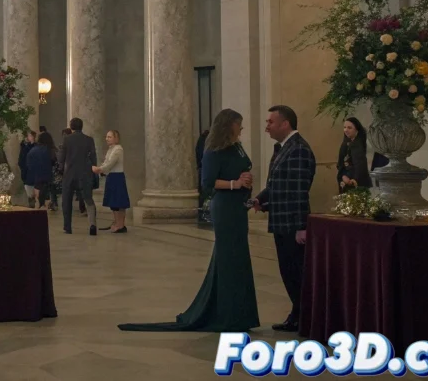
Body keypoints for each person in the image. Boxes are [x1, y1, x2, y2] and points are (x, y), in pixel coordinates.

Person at [119, 109, 259, 332]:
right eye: (238, 124)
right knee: (228, 259)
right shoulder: (213, 151)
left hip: (238, 208)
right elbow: (208, 183)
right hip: (225, 208)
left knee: (237, 259)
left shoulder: (237, 147)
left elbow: (243, 169)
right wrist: (235, 183)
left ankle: (241, 313)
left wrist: (246, 181)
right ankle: (227, 314)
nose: (241, 128)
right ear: (228, 125)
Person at [251, 105, 316, 332]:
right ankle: (297, 314)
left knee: (296, 272)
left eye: (271, 122)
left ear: (285, 123)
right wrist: (260, 200)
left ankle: (304, 316)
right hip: (281, 221)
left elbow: (298, 191)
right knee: (288, 272)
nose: (267, 127)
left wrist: (301, 226)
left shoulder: (298, 149)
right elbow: (277, 185)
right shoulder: (283, 148)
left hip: (292, 224)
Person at [60, 118, 98, 235]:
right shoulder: (89, 140)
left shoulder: (67, 139)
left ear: (71, 127)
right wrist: (93, 170)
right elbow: (93, 157)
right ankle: (92, 224)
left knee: (67, 200)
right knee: (88, 199)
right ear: (82, 127)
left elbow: (62, 158)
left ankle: (67, 227)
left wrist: (62, 170)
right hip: (85, 173)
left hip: (70, 173)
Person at [94, 129, 129, 233]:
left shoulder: (118, 149)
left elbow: (110, 163)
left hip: (117, 177)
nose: (107, 139)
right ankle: (117, 223)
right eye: (106, 137)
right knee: (114, 203)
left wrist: (99, 169)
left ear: (116, 138)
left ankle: (121, 225)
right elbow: (106, 162)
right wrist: (100, 168)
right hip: (111, 177)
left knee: (120, 202)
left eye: (109, 137)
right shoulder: (111, 149)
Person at [337, 117, 373, 191]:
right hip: (345, 181)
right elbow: (340, 164)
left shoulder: (359, 145)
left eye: (349, 128)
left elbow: (361, 166)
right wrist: (343, 176)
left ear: (356, 129)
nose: (346, 130)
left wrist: (353, 180)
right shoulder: (345, 144)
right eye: (344, 127)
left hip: (358, 183)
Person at [25, 131, 57, 209]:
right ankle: (50, 203)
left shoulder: (33, 150)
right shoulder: (51, 150)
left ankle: (40, 203)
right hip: (48, 174)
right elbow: (55, 161)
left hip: (37, 175)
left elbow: (28, 163)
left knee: (40, 187)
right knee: (48, 189)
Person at [18, 130, 37, 202]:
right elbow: (21, 159)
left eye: (29, 136)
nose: (27, 138)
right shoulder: (25, 147)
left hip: (31, 170)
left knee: (31, 188)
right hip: (26, 170)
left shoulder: (33, 147)